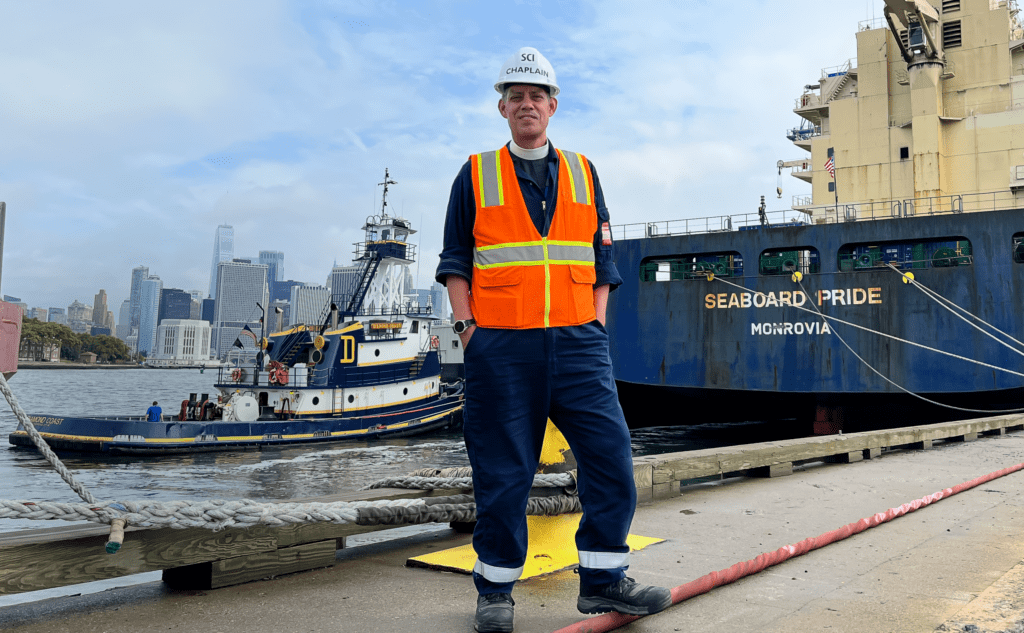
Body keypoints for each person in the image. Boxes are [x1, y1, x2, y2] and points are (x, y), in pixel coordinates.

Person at [435, 47, 671, 633]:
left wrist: (593, 325)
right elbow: (456, 262)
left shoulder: (584, 172)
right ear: (502, 108)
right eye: (516, 96)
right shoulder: (475, 173)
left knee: (611, 456)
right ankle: (494, 592)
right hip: (502, 349)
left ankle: (603, 581)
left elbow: (602, 262)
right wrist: (469, 330)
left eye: (536, 95)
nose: (527, 104)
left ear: (553, 106)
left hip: (577, 345)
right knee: (502, 472)